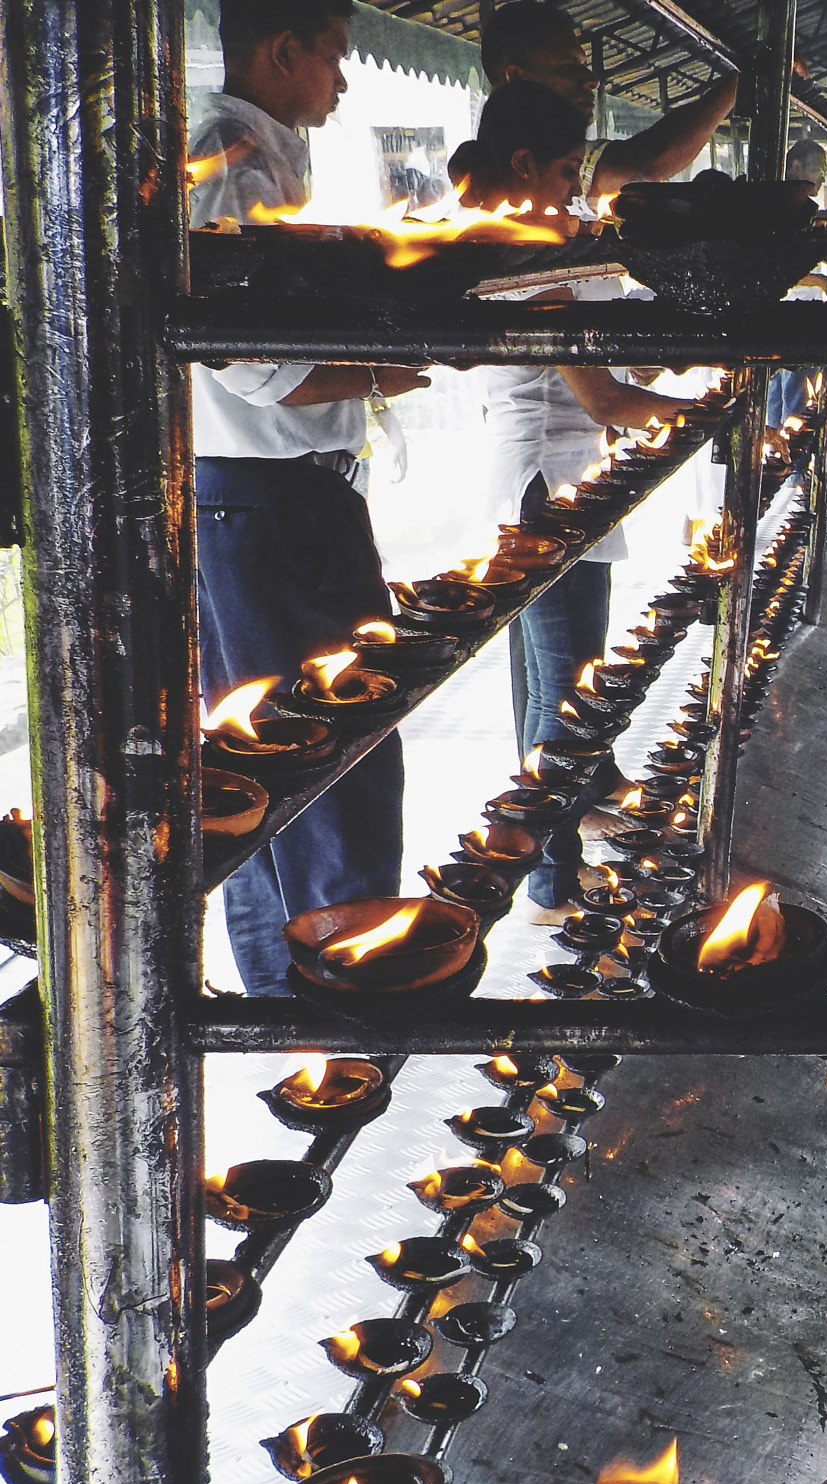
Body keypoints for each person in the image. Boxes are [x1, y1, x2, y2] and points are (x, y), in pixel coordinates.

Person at [189, 0, 428, 995]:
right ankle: (336, 993)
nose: (342, 80)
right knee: (327, 754)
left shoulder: (259, 155)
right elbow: (252, 361)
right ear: (284, 50)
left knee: (267, 762)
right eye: (333, 55)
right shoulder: (232, 156)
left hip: (273, 499)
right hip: (264, 502)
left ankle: (292, 990)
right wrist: (389, 367)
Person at [458, 82, 690, 917]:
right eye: (565, 169)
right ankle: (552, 883)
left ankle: (554, 870)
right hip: (545, 488)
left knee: (545, 692)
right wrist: (703, 415)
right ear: (525, 164)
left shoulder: (556, 245)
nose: (574, 186)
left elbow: (613, 374)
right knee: (564, 698)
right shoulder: (527, 256)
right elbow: (601, 402)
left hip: (553, 482)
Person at [480, 1, 737, 204]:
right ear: (517, 77)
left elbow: (646, 154)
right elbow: (648, 163)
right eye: (569, 67)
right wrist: (745, 80)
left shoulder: (571, 155)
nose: (593, 80)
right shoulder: (486, 171)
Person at [766, 138, 827, 430]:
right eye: (818, 169)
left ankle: (779, 459)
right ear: (796, 167)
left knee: (780, 394)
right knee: (793, 403)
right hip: (791, 315)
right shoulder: (780, 209)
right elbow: (773, 268)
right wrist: (819, 280)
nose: (822, 177)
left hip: (790, 312)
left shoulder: (801, 209)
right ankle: (791, 468)